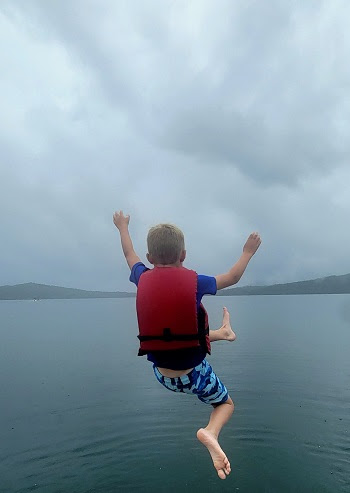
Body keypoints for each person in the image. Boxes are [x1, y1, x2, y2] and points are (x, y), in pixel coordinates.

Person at [113, 211, 261, 480]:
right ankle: (210, 433)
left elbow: (128, 253)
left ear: (149, 259)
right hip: (193, 374)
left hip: (161, 374)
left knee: (184, 329)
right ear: (183, 255)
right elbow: (233, 277)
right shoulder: (197, 282)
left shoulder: (140, 276)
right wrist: (248, 252)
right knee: (225, 405)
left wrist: (122, 226)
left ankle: (223, 333)